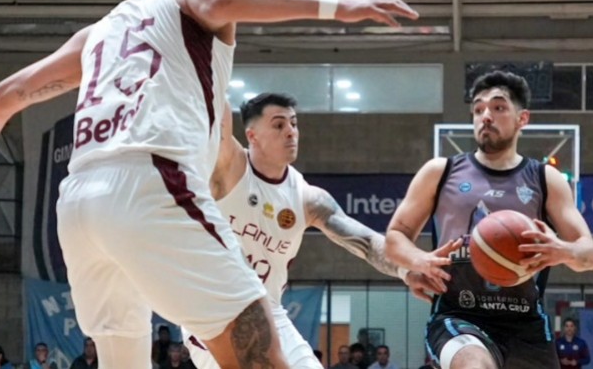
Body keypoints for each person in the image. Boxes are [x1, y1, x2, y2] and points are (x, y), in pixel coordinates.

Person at [0, 0, 418, 369]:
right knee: (261, 350)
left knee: (122, 358)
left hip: (79, 203)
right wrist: (343, 7)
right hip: (150, 181)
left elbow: (5, 95)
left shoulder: (99, 33)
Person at [184, 93, 447, 369]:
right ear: (252, 135)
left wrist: (407, 269)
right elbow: (216, 102)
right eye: (278, 125)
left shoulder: (308, 198)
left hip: (268, 312)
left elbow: (367, 243)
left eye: (294, 124)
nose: (290, 132)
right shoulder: (230, 168)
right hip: (212, 308)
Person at [385, 70, 593, 369]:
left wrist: (563, 251)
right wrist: (419, 260)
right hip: (458, 315)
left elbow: (590, 255)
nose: (485, 115)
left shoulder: (544, 178)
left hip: (525, 325)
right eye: (478, 109)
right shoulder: (440, 171)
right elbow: (396, 236)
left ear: (522, 118)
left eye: (498, 107)